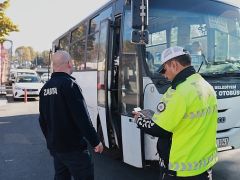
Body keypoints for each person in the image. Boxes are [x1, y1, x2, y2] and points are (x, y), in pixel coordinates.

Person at [133, 46, 218, 180]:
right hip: (204, 166)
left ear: (174, 65)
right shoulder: (205, 85)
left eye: (164, 69)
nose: (164, 75)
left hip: (181, 170)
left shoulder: (178, 92)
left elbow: (160, 129)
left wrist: (139, 119)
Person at [39, 50, 103, 180]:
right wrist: (95, 141)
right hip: (74, 149)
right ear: (69, 63)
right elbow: (82, 118)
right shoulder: (70, 85)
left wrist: (51, 142)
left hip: (57, 149)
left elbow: (42, 120)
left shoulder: (45, 88)